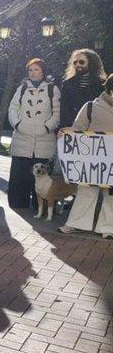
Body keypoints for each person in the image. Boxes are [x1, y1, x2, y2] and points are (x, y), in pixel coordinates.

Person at [58, 74, 113, 237]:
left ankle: (108, 227)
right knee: (86, 192)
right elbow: (77, 128)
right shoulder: (91, 107)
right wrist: (67, 134)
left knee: (111, 196)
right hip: (92, 162)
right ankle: (76, 223)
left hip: (109, 163)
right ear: (110, 89)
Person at [6, 59, 60, 209]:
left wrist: (47, 127)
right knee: (19, 175)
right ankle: (18, 203)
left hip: (44, 140)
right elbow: (13, 108)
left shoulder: (52, 89)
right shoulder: (22, 88)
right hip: (22, 138)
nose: (33, 72)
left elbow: (57, 112)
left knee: (44, 176)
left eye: (36, 69)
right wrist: (17, 124)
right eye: (30, 70)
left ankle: (41, 207)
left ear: (43, 71)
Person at [58, 49, 106, 131]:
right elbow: (63, 110)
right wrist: (64, 128)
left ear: (91, 63)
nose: (77, 65)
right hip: (72, 129)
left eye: (81, 62)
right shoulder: (67, 84)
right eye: (75, 62)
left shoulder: (102, 85)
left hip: (95, 130)